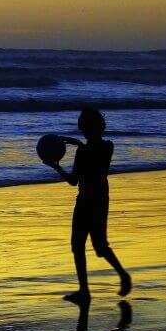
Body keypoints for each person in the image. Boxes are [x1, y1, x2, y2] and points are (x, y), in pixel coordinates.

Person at [43, 107, 131, 304]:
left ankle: (85, 291)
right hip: (101, 199)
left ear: (84, 127)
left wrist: (56, 167)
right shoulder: (108, 146)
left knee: (78, 245)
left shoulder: (82, 153)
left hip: (85, 202)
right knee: (100, 246)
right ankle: (122, 276)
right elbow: (95, 152)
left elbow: (73, 181)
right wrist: (78, 144)